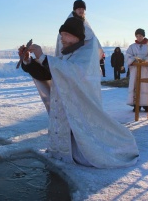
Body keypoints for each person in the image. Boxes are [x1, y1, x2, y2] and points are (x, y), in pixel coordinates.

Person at [19, 17, 139, 168]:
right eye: (61, 35)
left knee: (87, 149)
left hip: (81, 107)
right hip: (65, 107)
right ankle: (64, 152)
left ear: (76, 36)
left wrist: (43, 57)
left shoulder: (86, 54)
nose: (61, 38)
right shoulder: (66, 53)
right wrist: (28, 62)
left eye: (65, 34)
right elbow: (50, 74)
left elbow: (72, 71)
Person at [126, 28, 148, 112]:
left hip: (145, 69)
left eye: (140, 36)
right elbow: (128, 55)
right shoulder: (132, 46)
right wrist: (134, 59)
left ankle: (146, 104)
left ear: (143, 36)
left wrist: (146, 60)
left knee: (145, 85)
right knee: (136, 85)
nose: (139, 37)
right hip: (136, 69)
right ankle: (136, 104)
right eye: (137, 36)